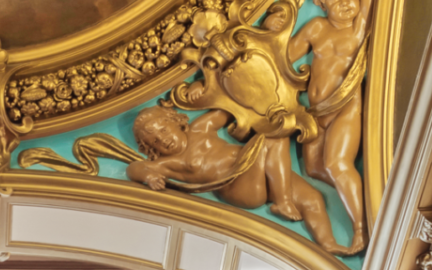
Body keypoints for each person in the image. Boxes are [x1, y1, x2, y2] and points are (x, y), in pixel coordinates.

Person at [127, 99, 345, 257]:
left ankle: (328, 245)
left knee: (312, 199)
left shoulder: (200, 128)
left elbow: (230, 106)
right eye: (155, 142)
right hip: (238, 188)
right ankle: (283, 201)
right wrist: (149, 176)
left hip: (263, 170)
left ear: (175, 121)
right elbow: (135, 168)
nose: (163, 141)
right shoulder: (169, 163)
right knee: (273, 141)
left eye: (164, 131)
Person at [288, 0, 376, 256]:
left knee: (337, 164)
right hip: (315, 115)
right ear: (321, 1)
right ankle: (356, 193)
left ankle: (361, 227)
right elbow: (284, 61)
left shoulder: (357, 28)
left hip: (345, 106)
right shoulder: (315, 29)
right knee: (314, 168)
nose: (343, 3)